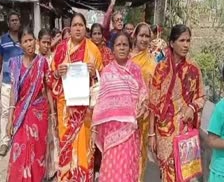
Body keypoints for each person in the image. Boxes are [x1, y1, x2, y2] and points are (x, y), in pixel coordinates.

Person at [148, 24, 206, 182]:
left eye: (188, 40)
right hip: (164, 131)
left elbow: (201, 97)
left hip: (185, 128)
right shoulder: (160, 69)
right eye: (182, 40)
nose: (186, 44)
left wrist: (193, 108)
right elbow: (152, 104)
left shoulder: (194, 69)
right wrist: (151, 134)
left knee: (184, 173)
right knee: (166, 171)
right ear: (172, 43)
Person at [50, 13, 103, 181]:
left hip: (86, 110)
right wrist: (58, 73)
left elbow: (103, 78)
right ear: (69, 28)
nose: (78, 28)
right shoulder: (60, 49)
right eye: (75, 25)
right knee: (66, 147)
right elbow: (50, 77)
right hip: (66, 109)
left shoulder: (93, 50)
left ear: (85, 28)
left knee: (84, 148)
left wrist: (94, 73)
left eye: (81, 25)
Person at [92, 32, 147, 182]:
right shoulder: (107, 71)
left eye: (125, 45)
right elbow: (101, 102)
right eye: (118, 45)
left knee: (128, 168)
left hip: (129, 129)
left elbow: (143, 93)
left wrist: (140, 109)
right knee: (111, 167)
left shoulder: (135, 70)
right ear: (113, 49)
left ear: (130, 48)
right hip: (111, 131)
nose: (122, 48)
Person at [6, 27, 53, 182]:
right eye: (25, 41)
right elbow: (14, 91)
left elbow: (47, 90)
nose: (29, 44)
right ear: (20, 45)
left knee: (38, 151)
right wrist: (10, 118)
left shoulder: (42, 62)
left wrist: (52, 114)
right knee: (19, 149)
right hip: (21, 113)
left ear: (36, 41)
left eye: (31, 40)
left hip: (39, 113)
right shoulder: (15, 63)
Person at [0, 10, 23, 156]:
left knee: (20, 112)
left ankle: (19, 139)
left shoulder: (25, 39)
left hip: (22, 83)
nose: (14, 22)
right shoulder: (1, 40)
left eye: (16, 20)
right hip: (6, 82)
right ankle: (4, 142)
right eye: (12, 20)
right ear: (8, 23)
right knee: (6, 112)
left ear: (20, 21)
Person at [130, 23, 156, 182]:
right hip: (125, 116)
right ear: (135, 36)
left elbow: (154, 95)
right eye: (142, 35)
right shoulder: (125, 58)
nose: (144, 39)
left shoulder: (153, 63)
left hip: (144, 117)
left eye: (147, 36)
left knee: (140, 155)